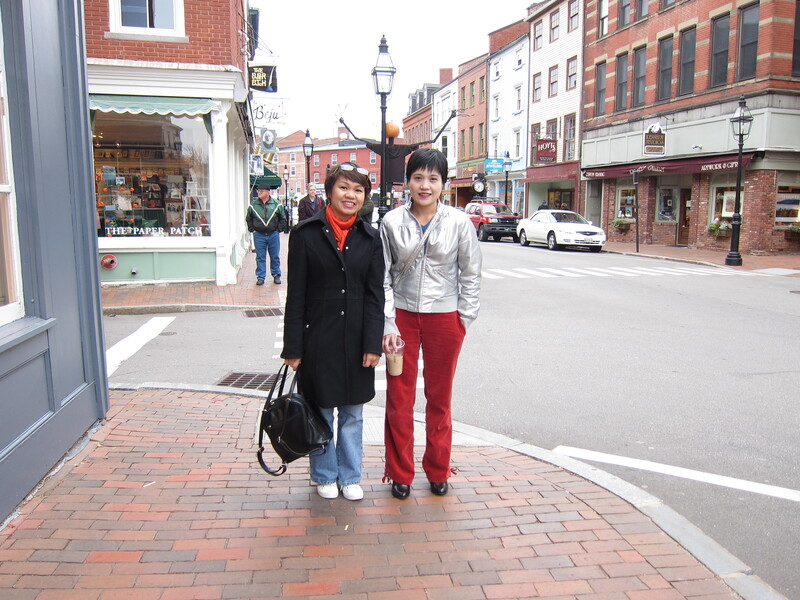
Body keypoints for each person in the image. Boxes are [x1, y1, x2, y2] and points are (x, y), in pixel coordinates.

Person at [380, 148, 481, 500]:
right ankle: (400, 472)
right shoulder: (391, 222)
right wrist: (388, 323)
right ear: (407, 182)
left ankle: (439, 469)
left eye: (433, 179)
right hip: (402, 317)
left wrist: (463, 319)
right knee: (399, 397)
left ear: (443, 184)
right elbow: (382, 277)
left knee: (440, 397)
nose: (425, 185)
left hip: (445, 318)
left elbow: (471, 273)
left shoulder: (459, 223)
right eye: (418, 177)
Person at [281, 162, 384, 501]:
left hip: (356, 340)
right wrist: (293, 347)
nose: (350, 195)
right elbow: (296, 295)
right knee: (321, 410)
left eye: (358, 190)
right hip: (319, 339)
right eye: (344, 187)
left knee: (353, 414)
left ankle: (350, 475)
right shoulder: (305, 234)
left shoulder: (370, 238)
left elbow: (375, 296)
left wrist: (373, 343)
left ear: (365, 197)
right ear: (329, 191)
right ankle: (324, 474)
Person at [246, 183, 287, 285]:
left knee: (275, 256)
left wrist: (278, 230)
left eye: (261, 191)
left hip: (273, 234)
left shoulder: (277, 205)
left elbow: (283, 218)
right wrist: (252, 229)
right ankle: (261, 277)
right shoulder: (253, 205)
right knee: (260, 256)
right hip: (259, 235)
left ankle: (276, 275)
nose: (259, 192)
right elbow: (248, 218)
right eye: (258, 191)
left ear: (268, 192)